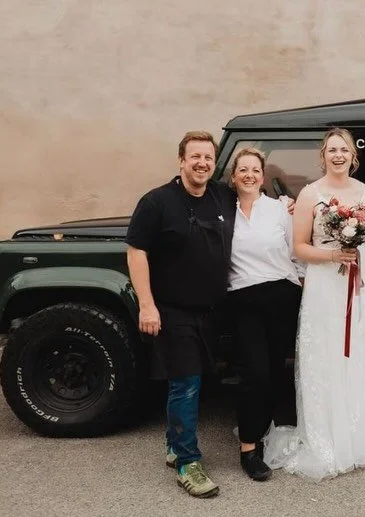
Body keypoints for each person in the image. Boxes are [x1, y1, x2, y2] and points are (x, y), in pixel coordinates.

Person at [263, 128, 365, 481]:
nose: (338, 155)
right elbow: (299, 247)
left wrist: (353, 249)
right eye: (332, 150)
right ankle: (329, 440)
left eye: (344, 150)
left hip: (361, 279)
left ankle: (361, 437)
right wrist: (333, 253)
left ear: (354, 156)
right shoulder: (310, 193)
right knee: (328, 355)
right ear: (323, 156)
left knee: (361, 353)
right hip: (325, 282)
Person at [126, 131, 236, 498]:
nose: (202, 163)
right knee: (186, 383)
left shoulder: (222, 195)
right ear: (181, 161)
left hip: (213, 311)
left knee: (200, 381)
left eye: (208, 157)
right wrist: (147, 303)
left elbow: (254, 203)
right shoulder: (157, 202)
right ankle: (188, 462)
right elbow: (136, 251)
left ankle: (174, 443)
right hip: (173, 310)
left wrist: (285, 205)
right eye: (195, 157)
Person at [226, 147, 303, 481]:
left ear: (263, 176)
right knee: (253, 374)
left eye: (255, 170)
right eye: (242, 169)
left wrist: (300, 287)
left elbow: (295, 252)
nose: (249, 175)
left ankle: (265, 430)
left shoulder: (280, 209)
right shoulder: (222, 211)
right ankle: (248, 447)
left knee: (272, 372)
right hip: (243, 297)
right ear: (233, 177)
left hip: (281, 293)